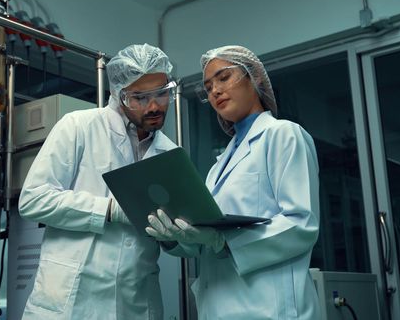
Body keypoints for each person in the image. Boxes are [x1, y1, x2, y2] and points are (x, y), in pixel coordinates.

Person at [146, 45, 320, 319]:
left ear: (255, 78)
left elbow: (301, 225)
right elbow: (205, 241)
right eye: (208, 86)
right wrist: (174, 237)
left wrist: (223, 242)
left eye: (224, 77)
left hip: (271, 308)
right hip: (218, 306)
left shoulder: (283, 135)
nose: (214, 90)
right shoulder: (220, 164)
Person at [18, 43, 178, 319]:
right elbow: (33, 199)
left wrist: (177, 236)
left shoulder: (171, 154)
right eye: (139, 98)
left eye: (162, 94)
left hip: (136, 302)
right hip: (72, 300)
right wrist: (109, 210)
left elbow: (175, 238)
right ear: (118, 94)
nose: (154, 106)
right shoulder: (79, 126)